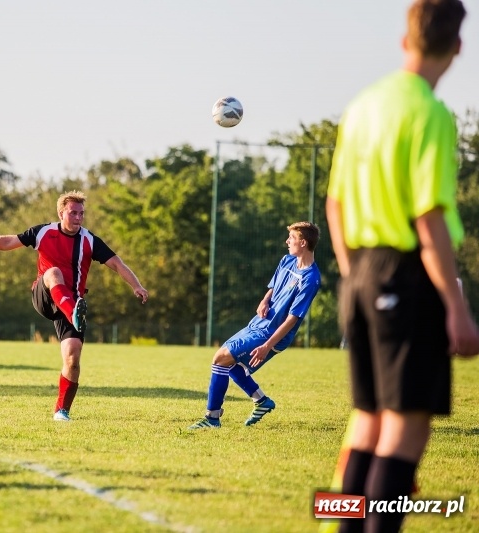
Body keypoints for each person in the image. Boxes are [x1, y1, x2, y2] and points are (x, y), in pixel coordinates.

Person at [325, 1, 479, 531]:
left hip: (361, 274)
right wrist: (457, 309)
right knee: (405, 431)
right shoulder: (430, 113)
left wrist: (353, 275)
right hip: (406, 280)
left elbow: (335, 204)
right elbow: (428, 217)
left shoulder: (366, 104)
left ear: (404, 39)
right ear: (458, 46)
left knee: (367, 423)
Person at [0, 190, 148, 422]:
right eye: (73, 213)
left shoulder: (89, 240)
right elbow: (6, 242)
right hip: (45, 295)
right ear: (61, 212)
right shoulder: (43, 232)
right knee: (53, 272)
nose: (78, 217)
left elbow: (116, 263)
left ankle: (61, 411)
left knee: (73, 358)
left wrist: (136, 285)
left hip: (73, 302)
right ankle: (73, 314)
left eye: (81, 213)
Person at [188, 221, 321, 429]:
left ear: (303, 243)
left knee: (220, 358)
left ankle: (212, 418)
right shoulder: (287, 260)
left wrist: (267, 345)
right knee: (229, 365)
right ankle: (261, 401)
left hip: (272, 333)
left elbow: (293, 318)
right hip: (257, 323)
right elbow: (273, 288)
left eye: (292, 238)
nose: (287, 242)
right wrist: (264, 300)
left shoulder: (311, 279)